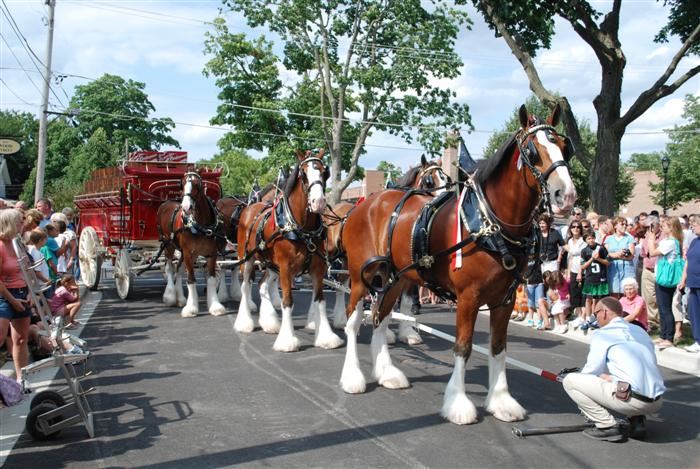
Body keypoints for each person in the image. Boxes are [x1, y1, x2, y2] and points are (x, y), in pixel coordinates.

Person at [562, 297, 665, 442]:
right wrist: (608, 378)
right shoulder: (639, 330)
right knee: (622, 379)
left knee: (570, 381)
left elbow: (591, 370)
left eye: (595, 313)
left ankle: (606, 425)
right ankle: (637, 422)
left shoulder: (603, 333)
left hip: (632, 400)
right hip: (657, 401)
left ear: (604, 312)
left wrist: (581, 378)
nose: (595, 318)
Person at [0, 209, 33, 391]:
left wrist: (30, 293)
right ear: (11, 223)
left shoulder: (18, 244)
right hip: (4, 296)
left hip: (22, 292)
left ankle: (22, 377)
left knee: (21, 339)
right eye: (20, 221)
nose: (23, 224)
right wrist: (13, 301)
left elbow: (27, 269)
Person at [646, 216, 684, 350]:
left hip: (666, 278)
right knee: (662, 308)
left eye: (665, 226)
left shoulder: (671, 242)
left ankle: (669, 336)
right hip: (661, 276)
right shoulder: (668, 241)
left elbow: (652, 252)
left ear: (671, 227)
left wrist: (650, 238)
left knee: (665, 308)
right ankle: (663, 335)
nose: (662, 228)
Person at [679, 215, 700, 353]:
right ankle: (698, 340)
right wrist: (683, 279)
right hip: (693, 283)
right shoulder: (694, 242)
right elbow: (687, 261)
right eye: (691, 224)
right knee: (694, 313)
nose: (692, 227)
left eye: (695, 224)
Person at [580, 230, 609, 329]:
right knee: (588, 298)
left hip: (600, 277)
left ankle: (595, 317)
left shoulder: (601, 248)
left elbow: (607, 262)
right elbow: (583, 266)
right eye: (588, 238)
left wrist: (598, 259)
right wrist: (592, 258)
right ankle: (588, 318)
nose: (591, 240)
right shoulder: (584, 251)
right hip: (590, 277)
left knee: (597, 298)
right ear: (585, 240)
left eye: (592, 238)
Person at [639, 215, 661, 330]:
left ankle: (661, 320)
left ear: (657, 225)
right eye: (646, 227)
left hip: (660, 270)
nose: (648, 229)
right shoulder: (646, 237)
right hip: (648, 269)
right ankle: (652, 321)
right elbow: (643, 254)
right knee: (649, 298)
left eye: (650, 226)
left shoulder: (664, 237)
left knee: (660, 297)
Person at [605, 217, 636, 299]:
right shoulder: (608, 239)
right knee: (614, 292)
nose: (624, 226)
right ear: (615, 226)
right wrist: (617, 254)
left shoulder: (629, 238)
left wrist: (623, 255)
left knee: (627, 291)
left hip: (626, 266)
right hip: (613, 267)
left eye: (626, 224)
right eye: (622, 224)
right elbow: (607, 253)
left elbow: (631, 255)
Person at [565, 219, 587, 328]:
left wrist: (580, 272)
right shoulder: (569, 241)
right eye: (573, 227)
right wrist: (568, 273)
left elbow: (583, 258)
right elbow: (570, 258)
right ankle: (578, 316)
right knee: (574, 294)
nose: (576, 229)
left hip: (582, 270)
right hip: (573, 270)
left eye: (578, 227)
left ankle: (583, 317)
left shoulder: (583, 241)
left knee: (583, 294)